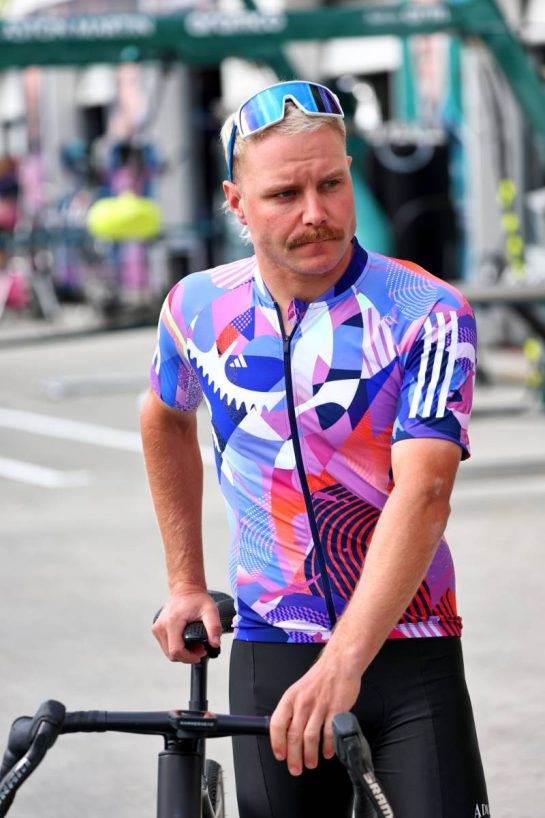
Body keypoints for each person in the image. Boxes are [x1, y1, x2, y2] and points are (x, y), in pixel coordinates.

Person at [140, 80, 489, 818]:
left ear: (350, 174)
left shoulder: (423, 310)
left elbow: (423, 491)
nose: (315, 213)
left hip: (407, 645)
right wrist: (185, 581)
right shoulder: (198, 309)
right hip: (275, 648)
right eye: (283, 194)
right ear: (236, 203)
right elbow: (164, 414)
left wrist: (343, 664)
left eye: (331, 183)